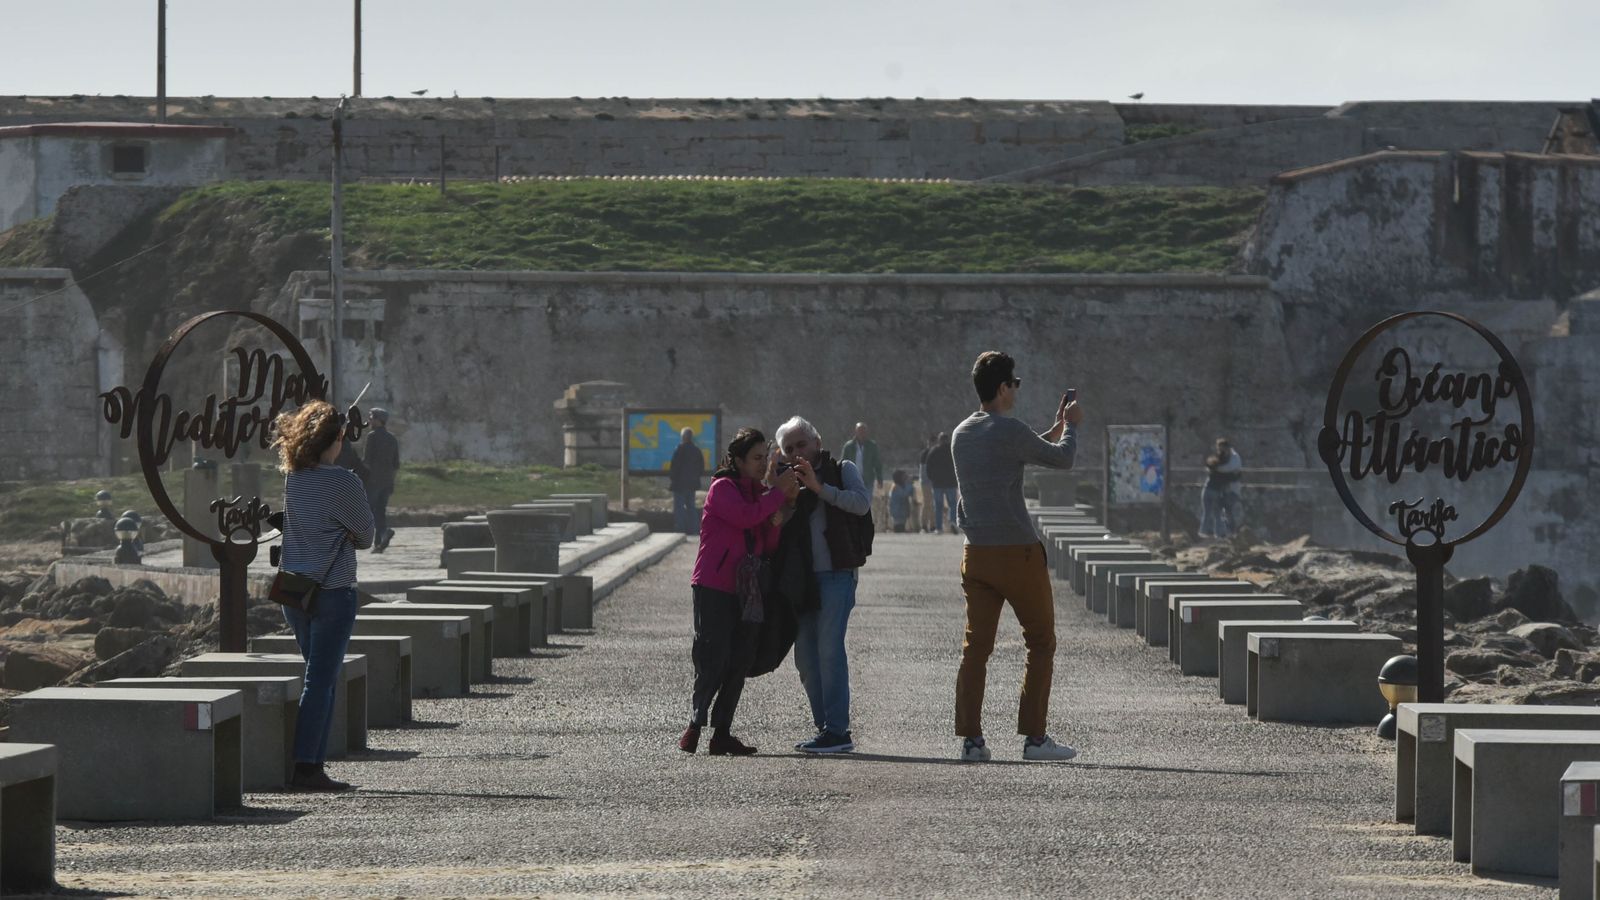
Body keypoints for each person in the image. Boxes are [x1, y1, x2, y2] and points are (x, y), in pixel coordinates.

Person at [950, 351, 1082, 763]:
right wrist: (1072, 428)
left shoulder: (961, 433)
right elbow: (1062, 458)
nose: (1017, 390)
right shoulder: (1010, 431)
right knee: (1040, 642)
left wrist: (1053, 428)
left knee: (976, 649)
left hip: (977, 554)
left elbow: (1007, 454)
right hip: (1017, 554)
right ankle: (1035, 739)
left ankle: (971, 741)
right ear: (1004, 387)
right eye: (1015, 383)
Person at [272, 399, 375, 790]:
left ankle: (312, 763)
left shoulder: (293, 478)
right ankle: (306, 767)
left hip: (296, 593)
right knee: (321, 680)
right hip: (332, 593)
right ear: (334, 439)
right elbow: (366, 536)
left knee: (320, 677)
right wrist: (345, 530)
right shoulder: (344, 481)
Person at [680, 428, 799, 756]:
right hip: (714, 586)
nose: (762, 465)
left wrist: (775, 522)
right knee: (711, 657)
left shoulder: (758, 494)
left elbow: (764, 544)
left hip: (747, 590)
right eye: (756, 459)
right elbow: (746, 519)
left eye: (765, 458)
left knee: (740, 659)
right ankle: (695, 723)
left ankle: (722, 732)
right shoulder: (722, 489)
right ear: (738, 460)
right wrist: (775, 495)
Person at [774, 416, 872, 754]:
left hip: (836, 576)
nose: (797, 452)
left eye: (802, 444)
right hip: (800, 582)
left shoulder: (842, 470)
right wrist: (783, 497)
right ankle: (824, 728)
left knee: (830, 650)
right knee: (805, 657)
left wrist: (819, 488)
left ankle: (837, 730)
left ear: (817, 441)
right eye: (789, 448)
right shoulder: (783, 481)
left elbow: (861, 505)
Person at [362, 408, 400, 553]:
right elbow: (396, 465)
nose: (369, 421)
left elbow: (367, 461)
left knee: (370, 511)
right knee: (380, 511)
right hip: (387, 482)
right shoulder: (392, 439)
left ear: (378, 420)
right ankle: (379, 543)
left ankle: (383, 533)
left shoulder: (372, 437)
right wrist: (391, 481)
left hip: (373, 481)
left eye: (371, 418)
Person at [839, 422, 884, 530]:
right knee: (852, 502)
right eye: (860, 430)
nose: (862, 433)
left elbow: (877, 463)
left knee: (866, 502)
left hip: (867, 479)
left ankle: (865, 525)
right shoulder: (849, 446)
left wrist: (879, 479)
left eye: (864, 431)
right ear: (856, 431)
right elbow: (842, 462)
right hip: (852, 479)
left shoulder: (872, 446)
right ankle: (854, 524)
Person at [1200, 438, 1244, 539]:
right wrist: (1237, 475)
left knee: (1210, 512)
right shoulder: (1224, 465)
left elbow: (1211, 465)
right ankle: (1223, 534)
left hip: (1209, 489)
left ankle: (1205, 533)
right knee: (1219, 513)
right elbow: (1231, 475)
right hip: (1217, 491)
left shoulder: (1216, 466)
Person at [669, 427, 707, 536]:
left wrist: (673, 479)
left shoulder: (679, 449)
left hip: (679, 485)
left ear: (683, 437)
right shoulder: (697, 450)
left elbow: (674, 467)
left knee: (679, 507)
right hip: (692, 484)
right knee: (691, 507)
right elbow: (701, 467)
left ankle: (680, 529)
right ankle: (694, 529)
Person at [925, 431, 959, 533]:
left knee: (938, 506)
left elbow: (928, 467)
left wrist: (932, 478)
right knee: (953, 504)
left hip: (937, 483)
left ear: (939, 440)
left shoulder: (934, 451)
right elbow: (958, 465)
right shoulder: (953, 451)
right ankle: (953, 522)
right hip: (951, 482)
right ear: (948, 440)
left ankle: (939, 528)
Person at [918, 433, 938, 532]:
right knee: (927, 503)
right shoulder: (925, 453)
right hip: (926, 482)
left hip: (934, 482)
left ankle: (933, 525)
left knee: (933, 504)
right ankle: (924, 525)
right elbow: (923, 471)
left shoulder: (936, 453)